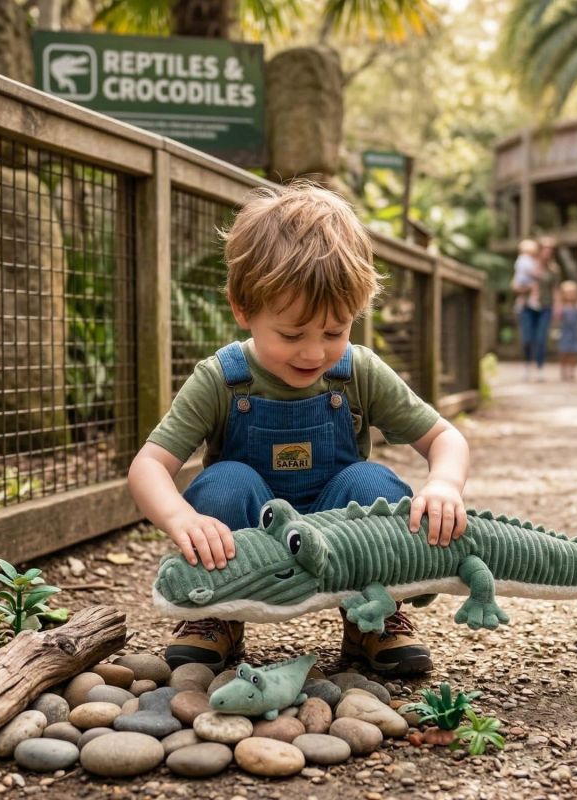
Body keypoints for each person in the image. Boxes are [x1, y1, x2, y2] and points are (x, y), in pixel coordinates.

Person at [128, 183, 470, 677]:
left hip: (339, 535)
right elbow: (149, 466)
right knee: (224, 483)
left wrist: (444, 485)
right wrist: (180, 518)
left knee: (375, 487)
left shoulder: (357, 371)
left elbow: (445, 438)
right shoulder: (222, 378)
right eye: (291, 335)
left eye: (335, 332)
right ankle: (216, 612)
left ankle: (371, 616)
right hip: (251, 532)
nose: (313, 353)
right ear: (242, 308)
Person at [512, 236, 560, 381]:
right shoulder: (527, 264)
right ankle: (527, 366)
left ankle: (540, 368)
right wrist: (526, 287)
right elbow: (515, 285)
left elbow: (555, 290)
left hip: (545, 307)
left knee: (541, 338)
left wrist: (557, 307)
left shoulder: (553, 269)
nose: (547, 252)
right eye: (545, 248)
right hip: (527, 306)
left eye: (550, 249)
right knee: (527, 338)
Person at [554, 280, 577, 381]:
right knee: (563, 352)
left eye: (573, 292)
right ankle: (563, 369)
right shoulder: (561, 306)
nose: (571, 295)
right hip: (564, 332)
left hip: (575, 333)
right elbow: (557, 316)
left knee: (573, 352)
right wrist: (557, 302)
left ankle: (572, 370)